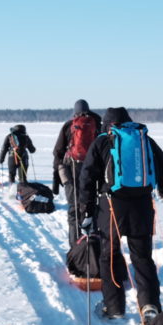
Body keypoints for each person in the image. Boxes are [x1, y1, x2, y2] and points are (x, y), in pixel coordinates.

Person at [78, 107, 163, 322]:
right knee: (142, 257)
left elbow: (86, 178)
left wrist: (87, 210)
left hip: (111, 207)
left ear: (107, 124)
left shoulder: (103, 141)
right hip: (142, 206)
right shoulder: (144, 139)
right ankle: (150, 306)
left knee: (109, 257)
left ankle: (114, 307)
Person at [52, 99, 103, 248]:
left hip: (72, 170)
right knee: (92, 208)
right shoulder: (97, 125)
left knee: (74, 210)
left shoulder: (69, 126)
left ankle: (75, 249)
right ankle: (93, 247)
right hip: (93, 172)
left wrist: (57, 180)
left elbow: (58, 152)